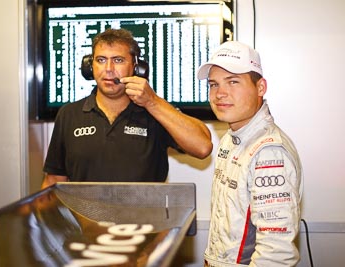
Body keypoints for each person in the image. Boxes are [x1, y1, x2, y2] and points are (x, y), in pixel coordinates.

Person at [41, 28, 212, 188]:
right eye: (101, 60)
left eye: (118, 60)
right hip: (84, 220)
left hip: (145, 220)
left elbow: (202, 146)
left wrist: (152, 102)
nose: (108, 69)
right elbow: (54, 180)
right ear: (90, 66)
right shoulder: (69, 114)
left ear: (137, 68)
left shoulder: (155, 111)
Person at [197, 41, 303, 266]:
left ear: (261, 87)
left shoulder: (268, 152)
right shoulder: (231, 138)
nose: (220, 93)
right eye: (213, 84)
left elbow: (275, 254)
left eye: (233, 82)